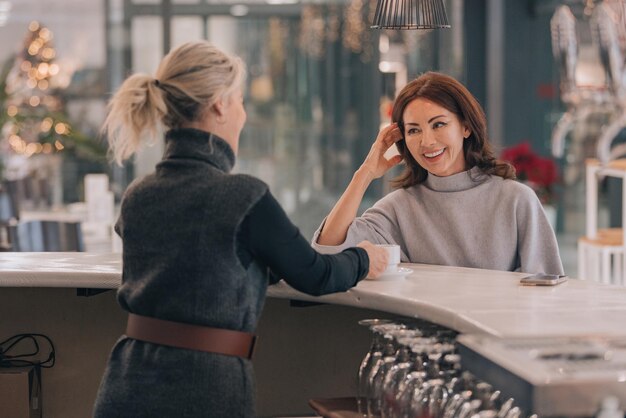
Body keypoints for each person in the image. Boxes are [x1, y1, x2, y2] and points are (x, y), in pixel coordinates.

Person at [92, 41, 389, 418]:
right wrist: (364, 257)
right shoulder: (243, 196)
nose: (243, 113)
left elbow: (196, 267)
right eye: (240, 101)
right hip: (204, 390)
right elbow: (316, 274)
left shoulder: (137, 196)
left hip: (125, 384)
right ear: (219, 104)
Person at [313, 71, 564, 275]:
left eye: (439, 124)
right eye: (413, 130)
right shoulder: (398, 208)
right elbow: (328, 250)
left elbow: (547, 290)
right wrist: (365, 173)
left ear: (465, 127)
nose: (427, 141)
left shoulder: (517, 200)